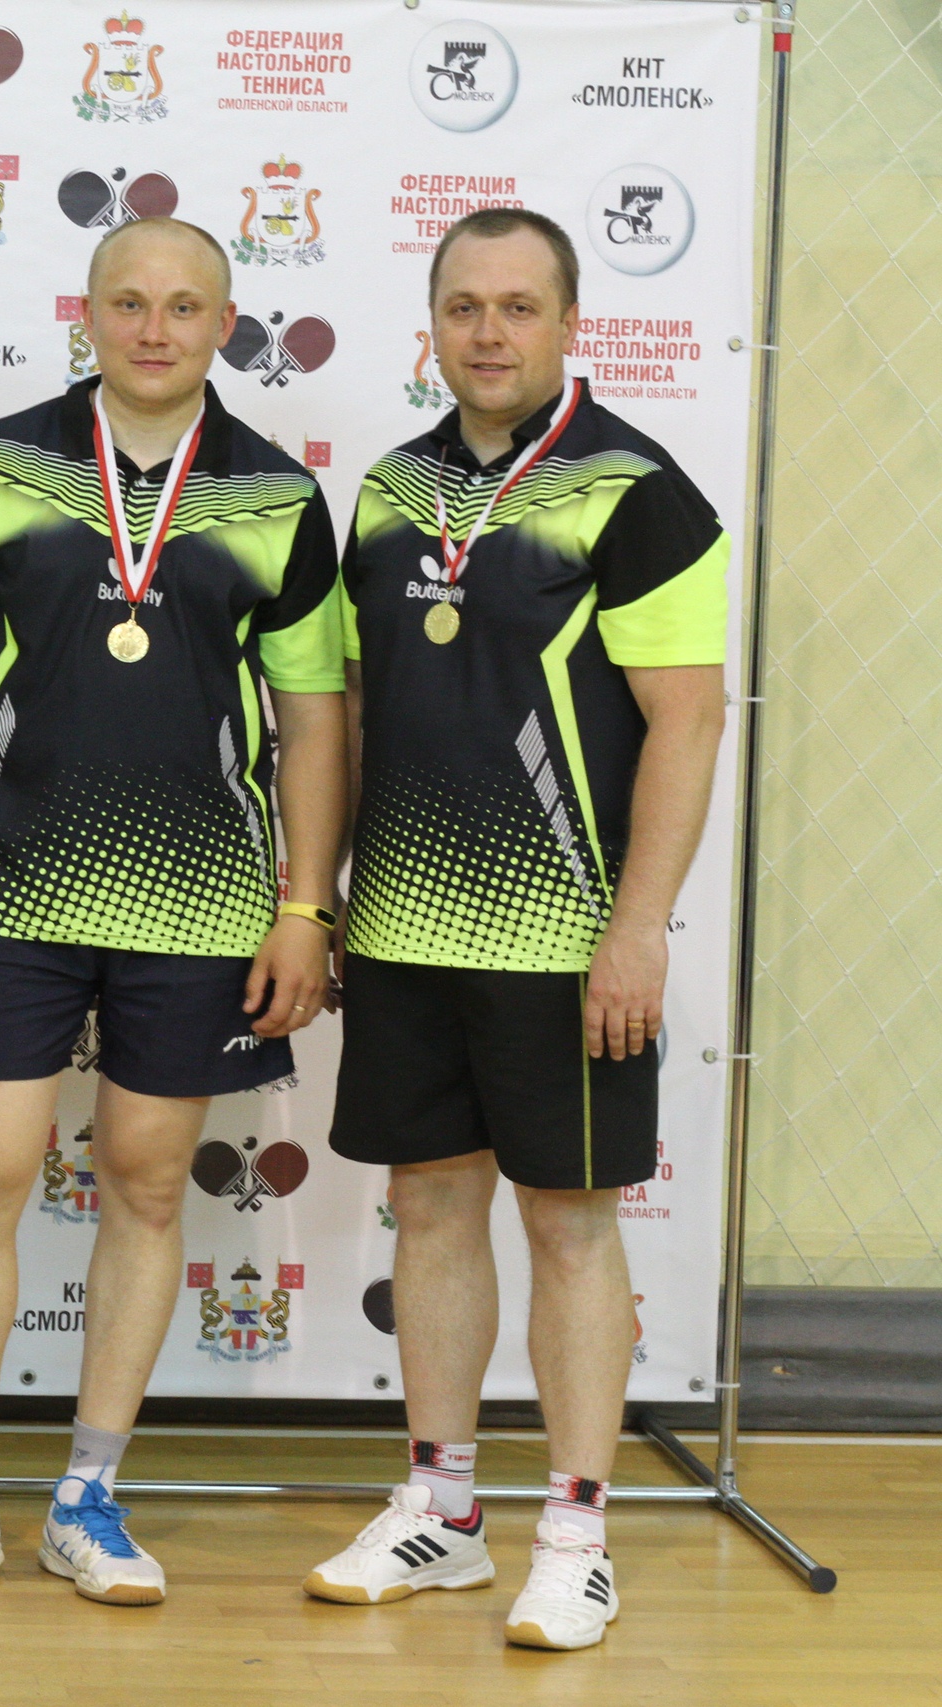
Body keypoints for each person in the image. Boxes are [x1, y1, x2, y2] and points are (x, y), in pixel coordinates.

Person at [0, 216, 348, 1606]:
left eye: (185, 306)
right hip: (12, 881)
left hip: (200, 898)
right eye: (128, 302)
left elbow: (316, 716)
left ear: (226, 325)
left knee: (143, 1179)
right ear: (85, 314)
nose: (154, 328)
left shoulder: (276, 495)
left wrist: (306, 906)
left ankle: (89, 1495)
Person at [302, 207, 726, 1652]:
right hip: (409, 930)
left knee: (568, 1223)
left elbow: (687, 722)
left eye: (520, 306)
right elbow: (356, 710)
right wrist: (332, 893)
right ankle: (442, 1512)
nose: (490, 333)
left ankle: (578, 1536)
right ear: (432, 324)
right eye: (465, 307)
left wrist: (639, 929)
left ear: (569, 322)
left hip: (569, 941)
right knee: (428, 1208)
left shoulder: (638, 490)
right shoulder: (389, 488)